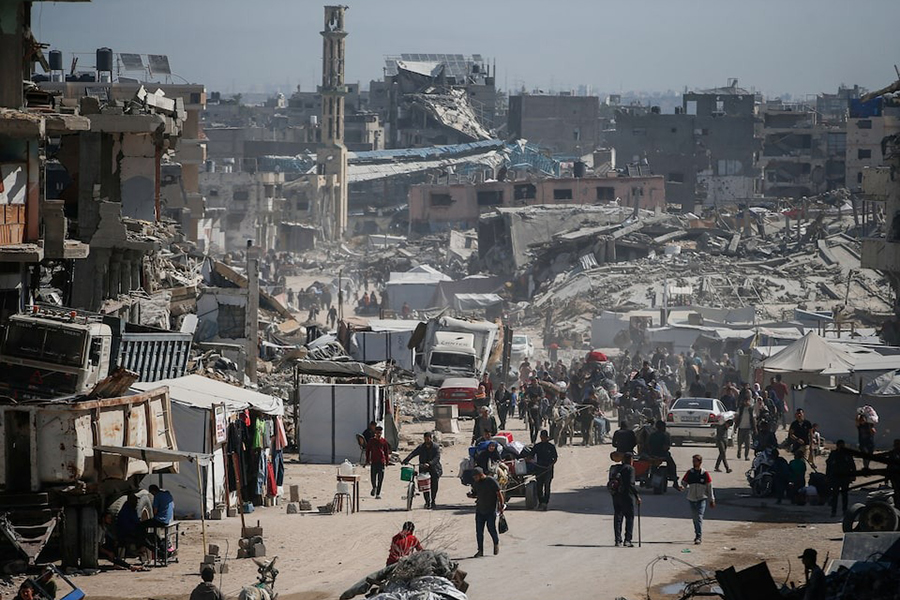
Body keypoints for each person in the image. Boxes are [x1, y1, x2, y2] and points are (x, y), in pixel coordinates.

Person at [681, 455, 715, 545]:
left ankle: (698, 536)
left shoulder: (705, 474)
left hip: (701, 498)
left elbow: (709, 487)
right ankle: (697, 533)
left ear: (700, 462)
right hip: (691, 499)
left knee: (699, 517)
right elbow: (684, 483)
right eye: (693, 461)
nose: (693, 463)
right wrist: (682, 487)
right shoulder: (690, 473)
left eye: (695, 461)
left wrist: (712, 500)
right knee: (695, 518)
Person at [402, 432, 442, 509]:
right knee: (424, 485)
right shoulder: (421, 447)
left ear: (431, 438)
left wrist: (429, 464)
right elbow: (413, 453)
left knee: (434, 485)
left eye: (428, 438)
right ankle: (427, 502)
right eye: (425, 438)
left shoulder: (435, 447)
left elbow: (437, 457)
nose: (427, 440)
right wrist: (406, 460)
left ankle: (433, 501)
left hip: (434, 468)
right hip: (423, 468)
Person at [471, 467, 504, 557]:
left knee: (491, 528)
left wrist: (501, 506)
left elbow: (499, 493)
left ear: (481, 475)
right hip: (480, 510)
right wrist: (471, 495)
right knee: (479, 531)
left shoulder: (491, 481)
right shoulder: (476, 483)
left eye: (476, 477)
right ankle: (480, 550)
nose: (475, 479)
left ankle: (496, 543)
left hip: (490, 510)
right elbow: (475, 493)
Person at [610, 452, 641, 547]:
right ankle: (627, 540)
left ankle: (617, 540)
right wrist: (637, 496)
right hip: (627, 496)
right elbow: (631, 484)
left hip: (616, 496)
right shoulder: (630, 469)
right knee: (629, 518)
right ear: (631, 460)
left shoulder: (615, 468)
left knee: (618, 518)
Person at [524, 430, 558, 511]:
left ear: (547, 437)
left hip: (548, 469)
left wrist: (551, 465)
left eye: (544, 437)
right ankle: (541, 502)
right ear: (540, 437)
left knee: (547, 486)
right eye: (542, 437)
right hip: (539, 469)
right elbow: (531, 455)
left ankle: (545, 503)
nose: (543, 439)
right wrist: (527, 459)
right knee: (539, 487)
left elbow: (555, 458)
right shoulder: (537, 446)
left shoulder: (551, 447)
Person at [647, 421, 682, 491]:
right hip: (662, 455)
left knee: (651, 467)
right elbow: (666, 447)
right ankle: (675, 482)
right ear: (663, 427)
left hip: (652, 455)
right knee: (672, 465)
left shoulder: (652, 435)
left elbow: (648, 445)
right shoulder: (666, 435)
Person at [826, 439, 856, 517]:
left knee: (844, 495)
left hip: (845, 477)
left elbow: (852, 465)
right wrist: (828, 476)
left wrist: (853, 475)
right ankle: (833, 511)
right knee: (835, 495)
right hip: (835, 477)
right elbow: (829, 466)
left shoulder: (847, 454)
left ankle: (844, 510)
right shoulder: (833, 454)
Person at [365, 425, 391, 499]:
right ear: (375, 433)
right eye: (377, 432)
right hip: (374, 461)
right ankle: (374, 487)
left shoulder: (383, 441)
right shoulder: (371, 441)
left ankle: (378, 493)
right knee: (373, 477)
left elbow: (386, 451)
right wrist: (367, 460)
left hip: (381, 462)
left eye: (380, 432)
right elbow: (368, 451)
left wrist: (387, 461)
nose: (379, 434)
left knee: (380, 478)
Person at [735, 393, 754, 461]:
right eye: (745, 401)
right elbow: (737, 417)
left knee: (747, 444)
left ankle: (746, 456)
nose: (746, 402)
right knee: (740, 443)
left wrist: (754, 429)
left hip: (748, 428)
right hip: (741, 427)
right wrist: (735, 426)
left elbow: (753, 419)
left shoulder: (751, 409)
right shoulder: (740, 408)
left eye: (747, 401)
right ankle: (739, 451)